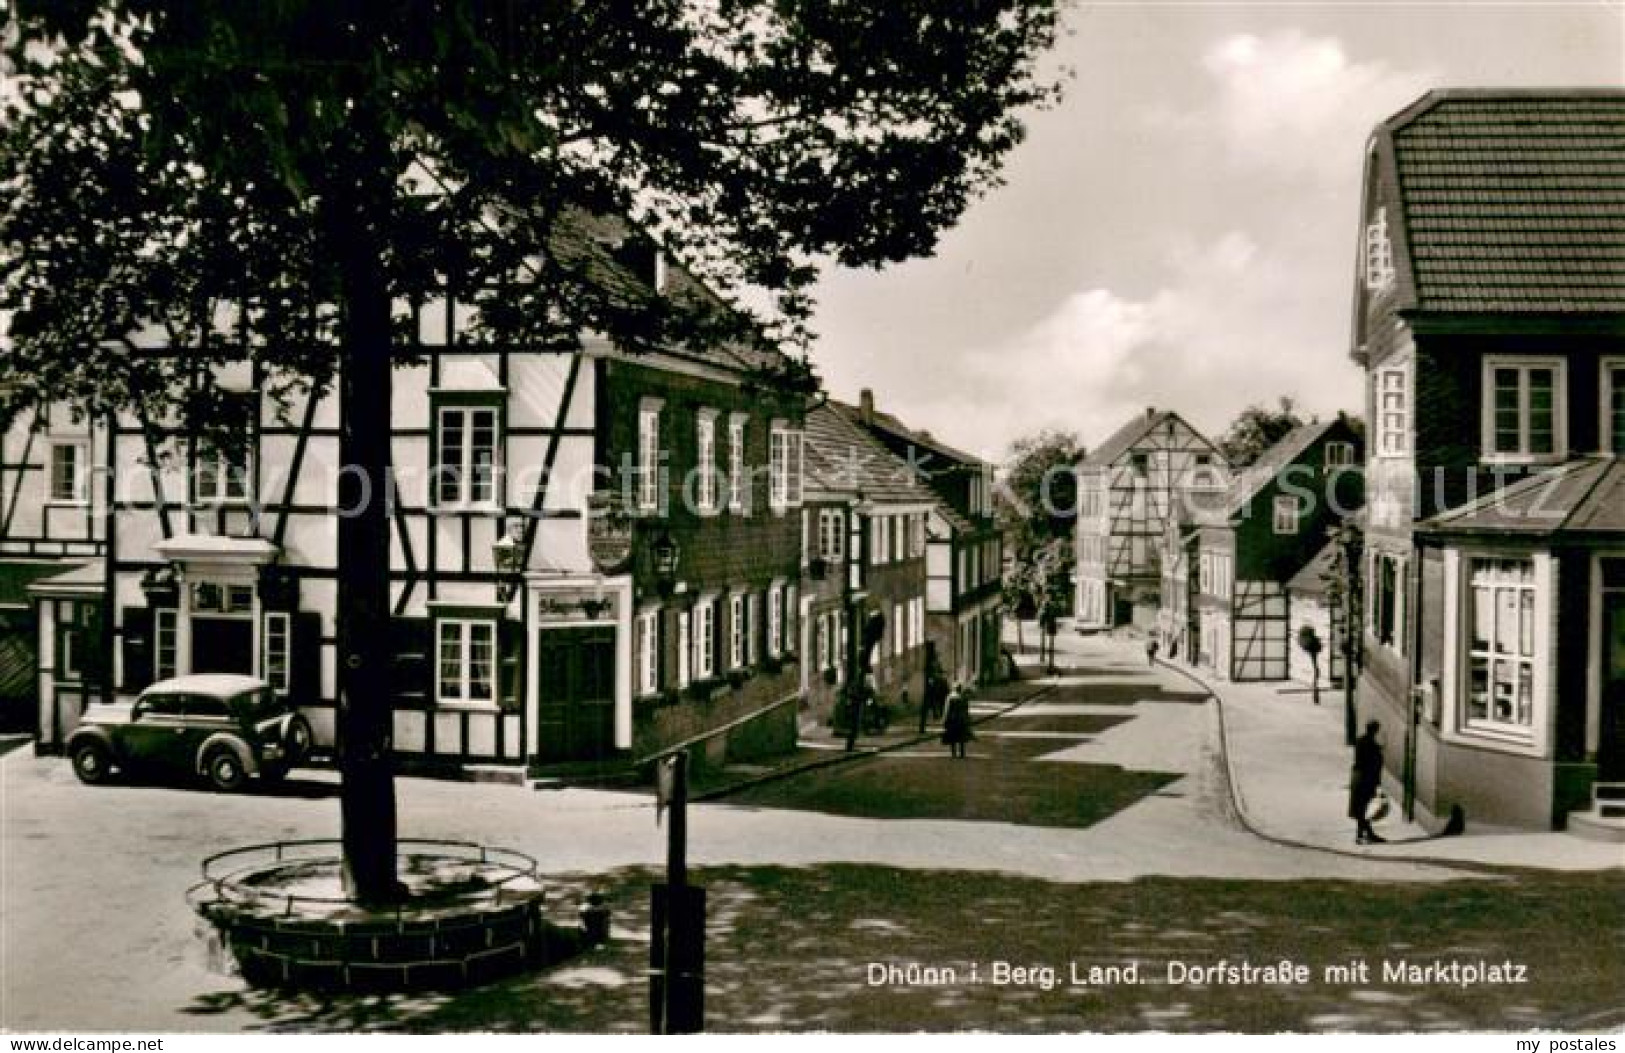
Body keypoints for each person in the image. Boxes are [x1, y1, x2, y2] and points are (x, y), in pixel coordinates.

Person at [1349, 720, 1386, 844]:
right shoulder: (1371, 745)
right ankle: (1364, 834)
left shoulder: (1361, 742)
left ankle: (1363, 834)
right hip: (1367, 779)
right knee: (1364, 808)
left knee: (1362, 808)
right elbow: (1374, 764)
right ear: (1375, 730)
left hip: (1358, 777)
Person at [941, 683, 973, 759]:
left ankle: (954, 754)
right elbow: (966, 710)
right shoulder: (964, 698)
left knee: (953, 738)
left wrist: (944, 720)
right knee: (961, 737)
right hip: (961, 720)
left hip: (952, 719)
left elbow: (946, 709)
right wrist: (968, 719)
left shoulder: (950, 697)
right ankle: (962, 753)